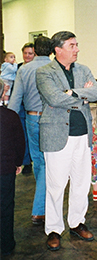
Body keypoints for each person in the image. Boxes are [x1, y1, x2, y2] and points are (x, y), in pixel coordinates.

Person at [36, 31, 97, 251]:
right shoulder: (45, 72)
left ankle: (76, 222)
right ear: (58, 49)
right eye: (72, 45)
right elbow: (53, 97)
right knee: (56, 185)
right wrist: (83, 95)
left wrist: (71, 92)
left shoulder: (84, 69)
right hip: (56, 136)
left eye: (77, 44)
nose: (77, 49)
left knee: (82, 182)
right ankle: (54, 229)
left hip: (82, 135)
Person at [8, 36, 52, 225]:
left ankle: (42, 205)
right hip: (52, 120)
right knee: (47, 164)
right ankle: (40, 209)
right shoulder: (55, 68)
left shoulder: (24, 69)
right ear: (51, 50)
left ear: (35, 50)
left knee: (38, 162)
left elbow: (15, 99)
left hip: (32, 118)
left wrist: (8, 125)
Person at [0, 79, 25, 256]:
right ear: (3, 93)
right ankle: (7, 243)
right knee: (6, 206)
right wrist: (18, 162)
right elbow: (19, 144)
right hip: (5, 169)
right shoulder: (11, 116)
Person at [16, 42, 35, 175]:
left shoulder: (38, 68)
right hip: (21, 108)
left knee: (33, 135)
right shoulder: (17, 68)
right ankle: (26, 162)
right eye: (25, 53)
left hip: (34, 107)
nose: (27, 56)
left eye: (30, 53)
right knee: (23, 136)